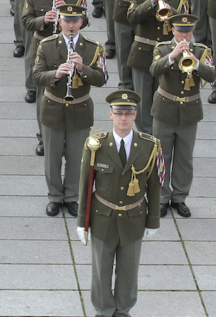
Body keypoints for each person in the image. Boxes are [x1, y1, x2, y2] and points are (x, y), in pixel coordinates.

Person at [75, 90, 163, 317]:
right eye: (118, 113)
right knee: (101, 271)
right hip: (103, 217)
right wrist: (82, 222)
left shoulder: (150, 146)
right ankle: (104, 311)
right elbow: (85, 185)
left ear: (135, 115)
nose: (123, 118)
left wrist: (153, 221)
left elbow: (154, 187)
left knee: (129, 271)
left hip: (134, 218)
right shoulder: (96, 145)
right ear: (110, 114)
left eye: (128, 113)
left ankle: (123, 311)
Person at [33, 4, 107, 217]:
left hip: (80, 108)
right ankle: (55, 197)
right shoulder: (46, 45)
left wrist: (83, 69)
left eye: (75, 21)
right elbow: (37, 76)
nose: (71, 25)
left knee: (77, 158)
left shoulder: (94, 47)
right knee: (52, 158)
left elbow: (102, 79)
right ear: (60, 22)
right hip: (53, 107)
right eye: (67, 21)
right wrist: (56, 74)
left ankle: (72, 197)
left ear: (81, 22)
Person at [21, 0, 87, 155]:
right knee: (44, 96)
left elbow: (87, 21)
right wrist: (44, 20)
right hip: (44, 46)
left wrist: (68, 14)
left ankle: (69, 136)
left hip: (71, 47)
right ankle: (43, 137)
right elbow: (26, 21)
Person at [150, 14, 213, 218]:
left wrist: (196, 63)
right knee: (162, 156)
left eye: (188, 31)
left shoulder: (201, 51)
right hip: (165, 109)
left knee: (184, 158)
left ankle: (180, 198)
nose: (185, 35)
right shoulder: (162, 48)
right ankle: (161, 197)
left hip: (189, 111)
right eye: (180, 31)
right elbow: (153, 69)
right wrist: (172, 56)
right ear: (173, 31)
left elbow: (212, 75)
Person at [127, 0, 189, 134]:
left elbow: (186, 25)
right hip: (142, 54)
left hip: (167, 54)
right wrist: (151, 3)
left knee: (164, 97)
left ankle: (161, 134)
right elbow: (131, 18)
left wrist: (170, 10)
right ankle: (146, 135)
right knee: (143, 98)